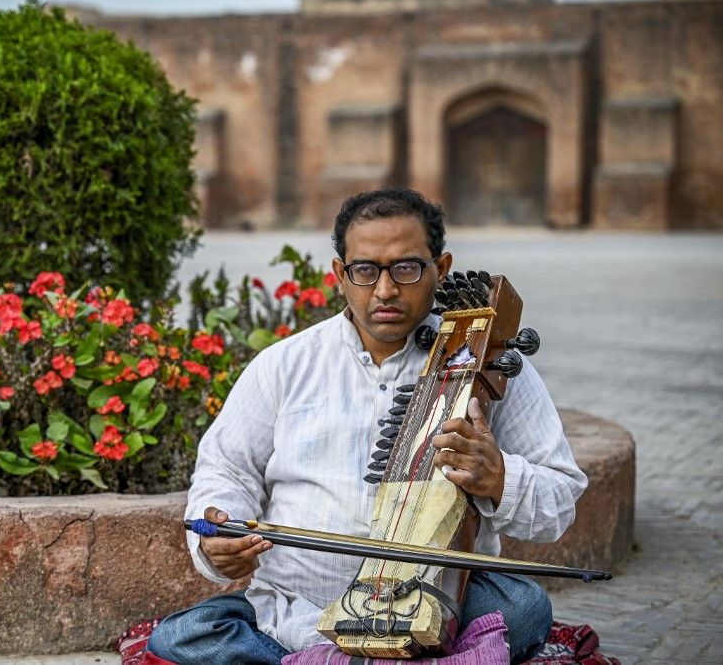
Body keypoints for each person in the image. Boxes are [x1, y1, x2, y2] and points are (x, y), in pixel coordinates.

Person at [147, 188, 587, 665]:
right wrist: (218, 539)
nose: (384, 290)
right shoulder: (284, 364)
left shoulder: (488, 363)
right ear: (340, 274)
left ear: (441, 268)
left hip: (435, 604)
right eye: (365, 270)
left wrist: (499, 476)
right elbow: (226, 470)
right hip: (299, 605)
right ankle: (342, 656)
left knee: (523, 608)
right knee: (184, 635)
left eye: (406, 268)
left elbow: (560, 497)